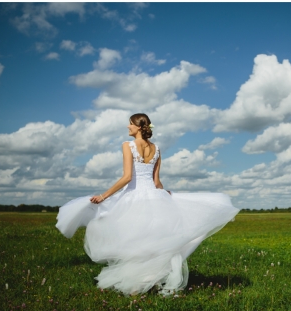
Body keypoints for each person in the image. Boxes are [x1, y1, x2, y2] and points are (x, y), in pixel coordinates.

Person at [55, 113, 240, 296]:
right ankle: (147, 282)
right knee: (151, 242)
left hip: (134, 198)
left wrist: (104, 196)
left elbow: (127, 177)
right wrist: (165, 195)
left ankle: (135, 287)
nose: (128, 127)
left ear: (137, 126)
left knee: (134, 243)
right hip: (154, 197)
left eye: (130, 124)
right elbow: (157, 182)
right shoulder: (156, 149)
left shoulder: (127, 146)